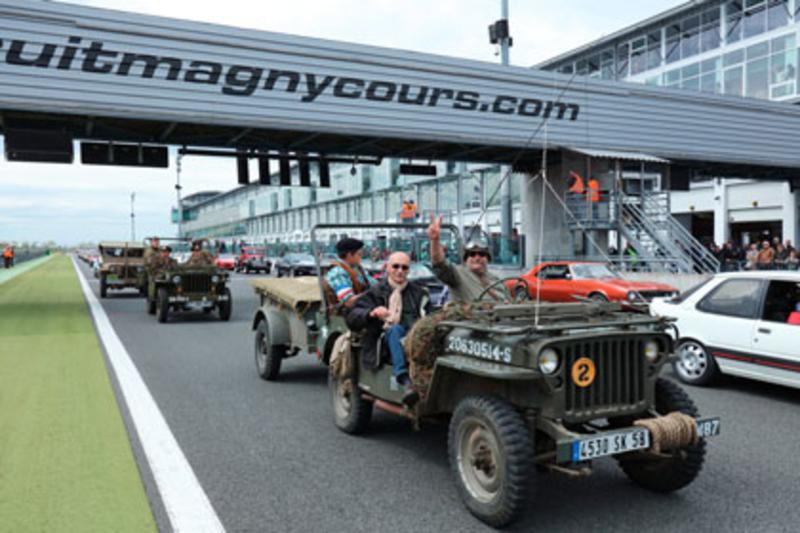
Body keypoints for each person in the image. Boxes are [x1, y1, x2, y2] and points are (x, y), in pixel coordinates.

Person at [347, 251, 431, 407]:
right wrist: (371, 313)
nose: (400, 271)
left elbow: (430, 316)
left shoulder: (419, 293)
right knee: (395, 330)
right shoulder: (376, 291)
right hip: (384, 341)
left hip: (415, 337)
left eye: (404, 267)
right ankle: (405, 380)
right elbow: (352, 316)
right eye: (396, 266)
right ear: (387, 268)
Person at [427, 214, 499, 302]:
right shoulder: (458, 275)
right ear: (465, 260)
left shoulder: (495, 280)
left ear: (487, 259)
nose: (477, 258)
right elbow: (440, 264)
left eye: (482, 254)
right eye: (472, 254)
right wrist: (434, 240)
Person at [324, 237, 374, 310]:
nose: (361, 257)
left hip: (361, 308)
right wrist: (373, 293)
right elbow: (349, 301)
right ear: (349, 255)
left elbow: (373, 283)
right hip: (348, 312)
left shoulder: (357, 268)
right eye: (359, 254)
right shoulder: (338, 273)